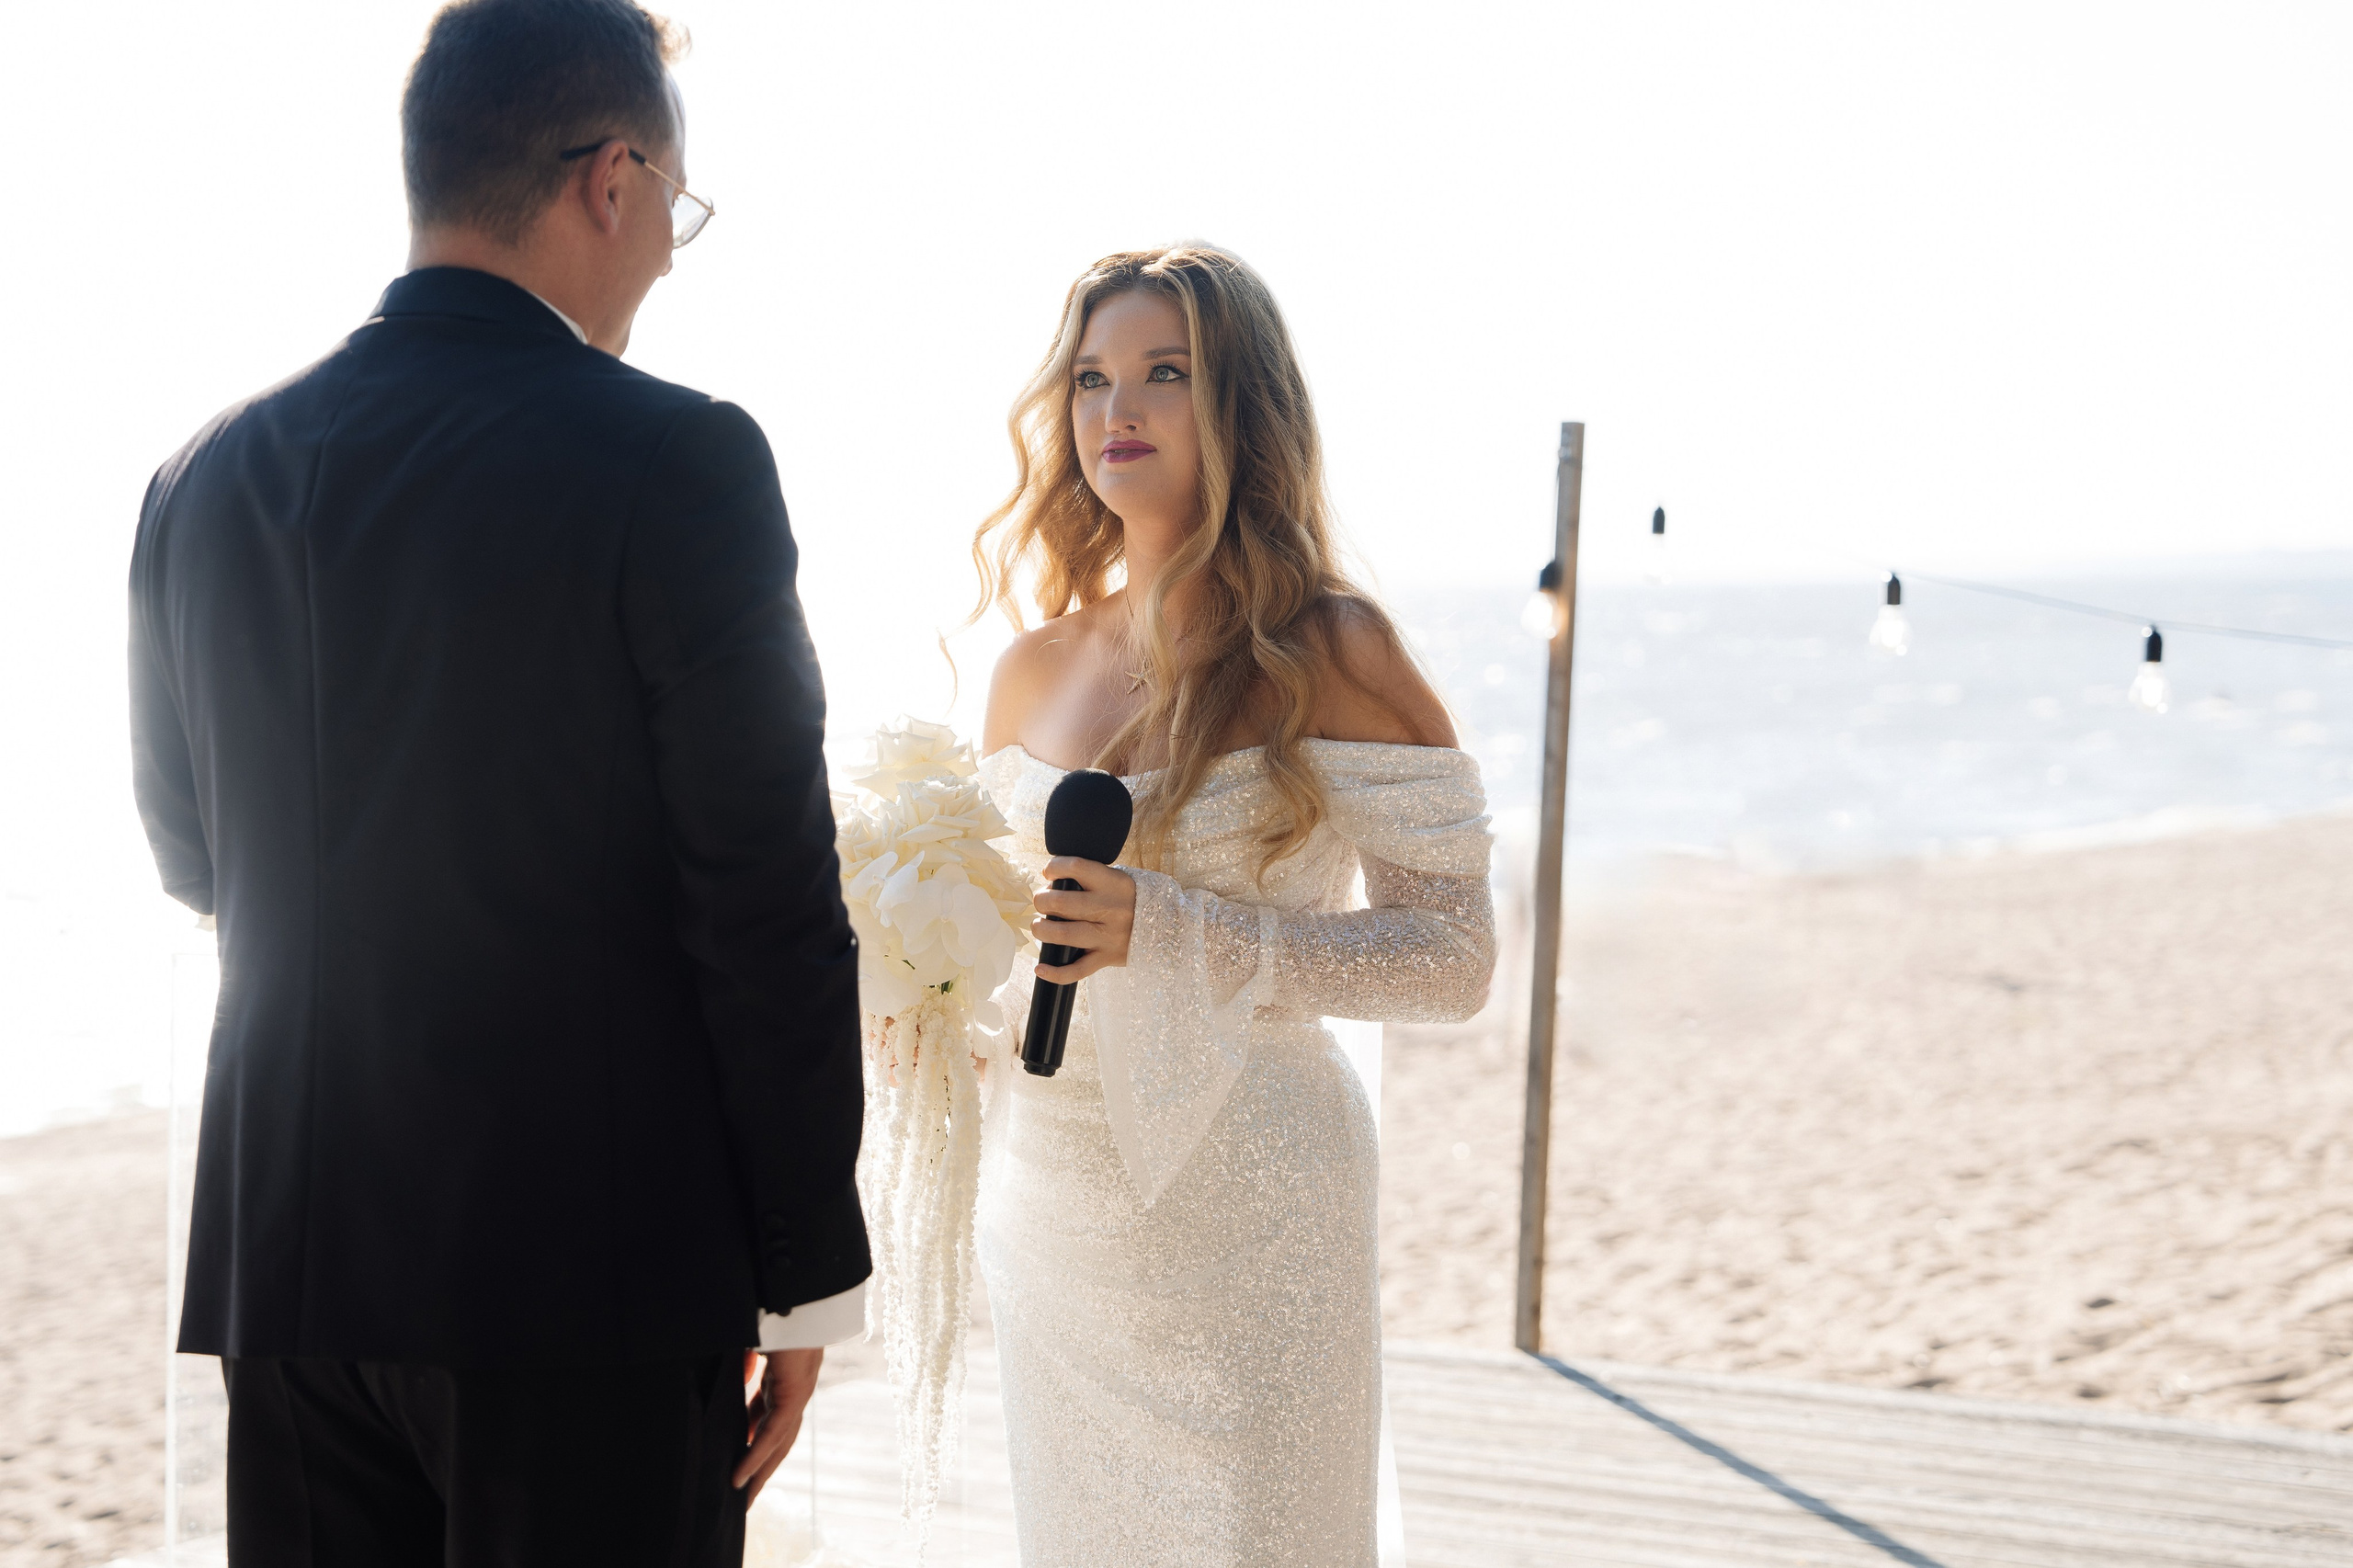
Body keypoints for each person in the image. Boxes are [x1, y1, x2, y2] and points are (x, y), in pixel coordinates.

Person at [127, 3, 867, 1562]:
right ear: (614, 178)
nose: (671, 246)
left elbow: (197, 857)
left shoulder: (201, 476)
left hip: (294, 1268)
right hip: (584, 1281)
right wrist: (805, 1268)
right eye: (679, 202)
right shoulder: (683, 462)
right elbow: (766, 902)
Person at [972, 244, 1498, 1565]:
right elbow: (993, 941)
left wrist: (1178, 931)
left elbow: (1453, 957)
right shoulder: (1030, 666)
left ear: (1243, 405)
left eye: (1165, 373)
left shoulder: (1330, 649)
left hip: (1259, 1215)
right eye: (1091, 378)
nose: (1116, 410)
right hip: (1055, 1209)